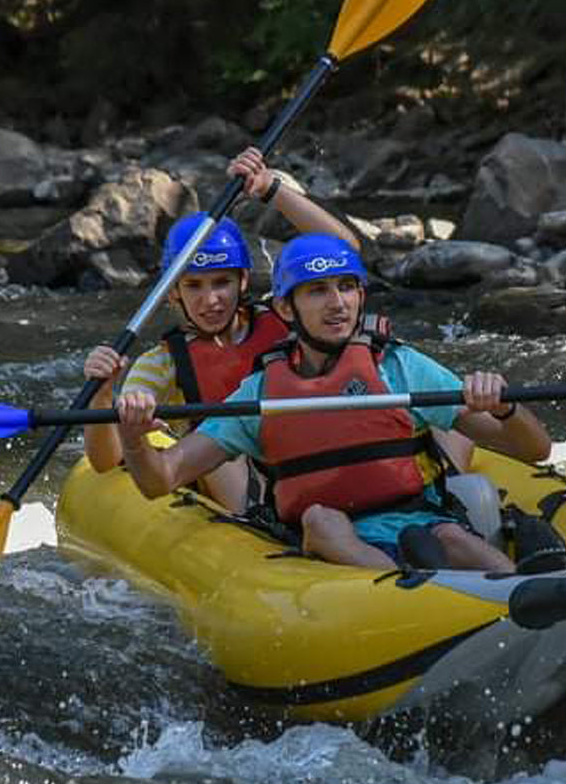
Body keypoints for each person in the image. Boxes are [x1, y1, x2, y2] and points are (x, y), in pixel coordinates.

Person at [113, 234, 552, 572]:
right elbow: (161, 478)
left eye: (346, 287)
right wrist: (134, 438)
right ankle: (409, 583)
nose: (337, 303)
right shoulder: (261, 392)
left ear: (361, 295)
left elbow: (533, 450)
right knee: (323, 521)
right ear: (286, 308)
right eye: (317, 290)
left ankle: (524, 588)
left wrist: (504, 409)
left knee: (453, 538)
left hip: (421, 523)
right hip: (329, 536)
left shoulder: (400, 366)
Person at [83, 147, 361, 511]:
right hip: (228, 474)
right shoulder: (162, 363)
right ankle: (263, 524)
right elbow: (105, 462)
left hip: (301, 452)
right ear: (173, 293)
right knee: (221, 453)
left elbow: (344, 251)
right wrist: (102, 396)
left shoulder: (285, 318)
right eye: (194, 286)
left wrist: (269, 189)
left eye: (221, 283)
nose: (210, 300)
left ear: (243, 280)